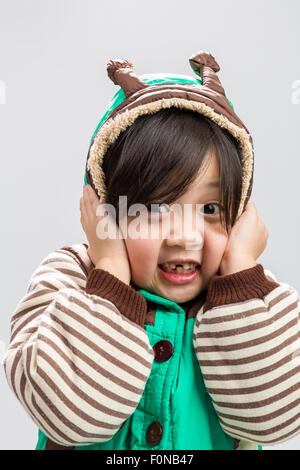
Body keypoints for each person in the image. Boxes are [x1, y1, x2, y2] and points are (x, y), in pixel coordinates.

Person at [3, 51, 300, 451]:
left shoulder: (251, 300)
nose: (184, 237)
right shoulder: (70, 277)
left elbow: (273, 420)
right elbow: (70, 417)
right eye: (154, 210)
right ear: (108, 211)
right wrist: (108, 272)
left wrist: (242, 268)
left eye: (210, 209)